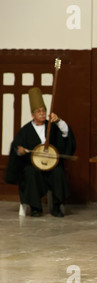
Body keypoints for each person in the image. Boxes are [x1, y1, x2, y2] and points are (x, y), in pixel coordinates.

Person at [4, 87, 76, 218]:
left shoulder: (52, 126)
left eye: (43, 111)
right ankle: (35, 207)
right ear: (33, 115)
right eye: (38, 111)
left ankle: (56, 206)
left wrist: (59, 121)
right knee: (30, 173)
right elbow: (16, 148)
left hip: (51, 164)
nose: (42, 113)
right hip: (33, 165)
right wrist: (20, 151)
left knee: (58, 172)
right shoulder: (25, 130)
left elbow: (66, 135)